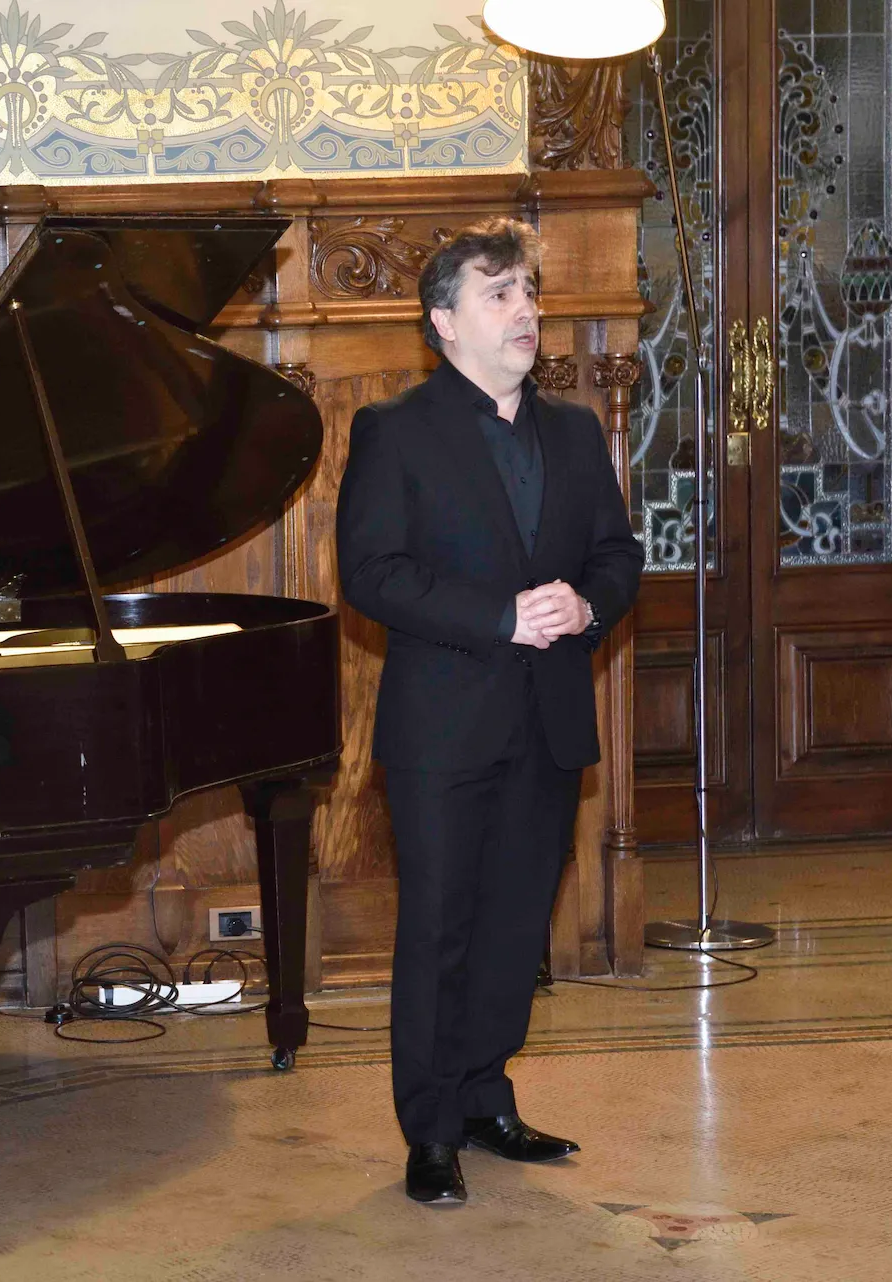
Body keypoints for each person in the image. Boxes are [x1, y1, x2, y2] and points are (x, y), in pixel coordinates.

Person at [335, 219, 644, 1204]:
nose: (526, 311)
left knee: (515, 928)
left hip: (548, 718)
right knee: (439, 929)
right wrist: (500, 615)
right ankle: (430, 1132)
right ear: (444, 321)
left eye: (529, 294)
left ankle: (484, 1098)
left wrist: (589, 605)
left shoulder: (576, 431)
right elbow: (372, 573)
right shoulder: (396, 430)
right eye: (499, 294)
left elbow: (618, 554)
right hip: (443, 726)